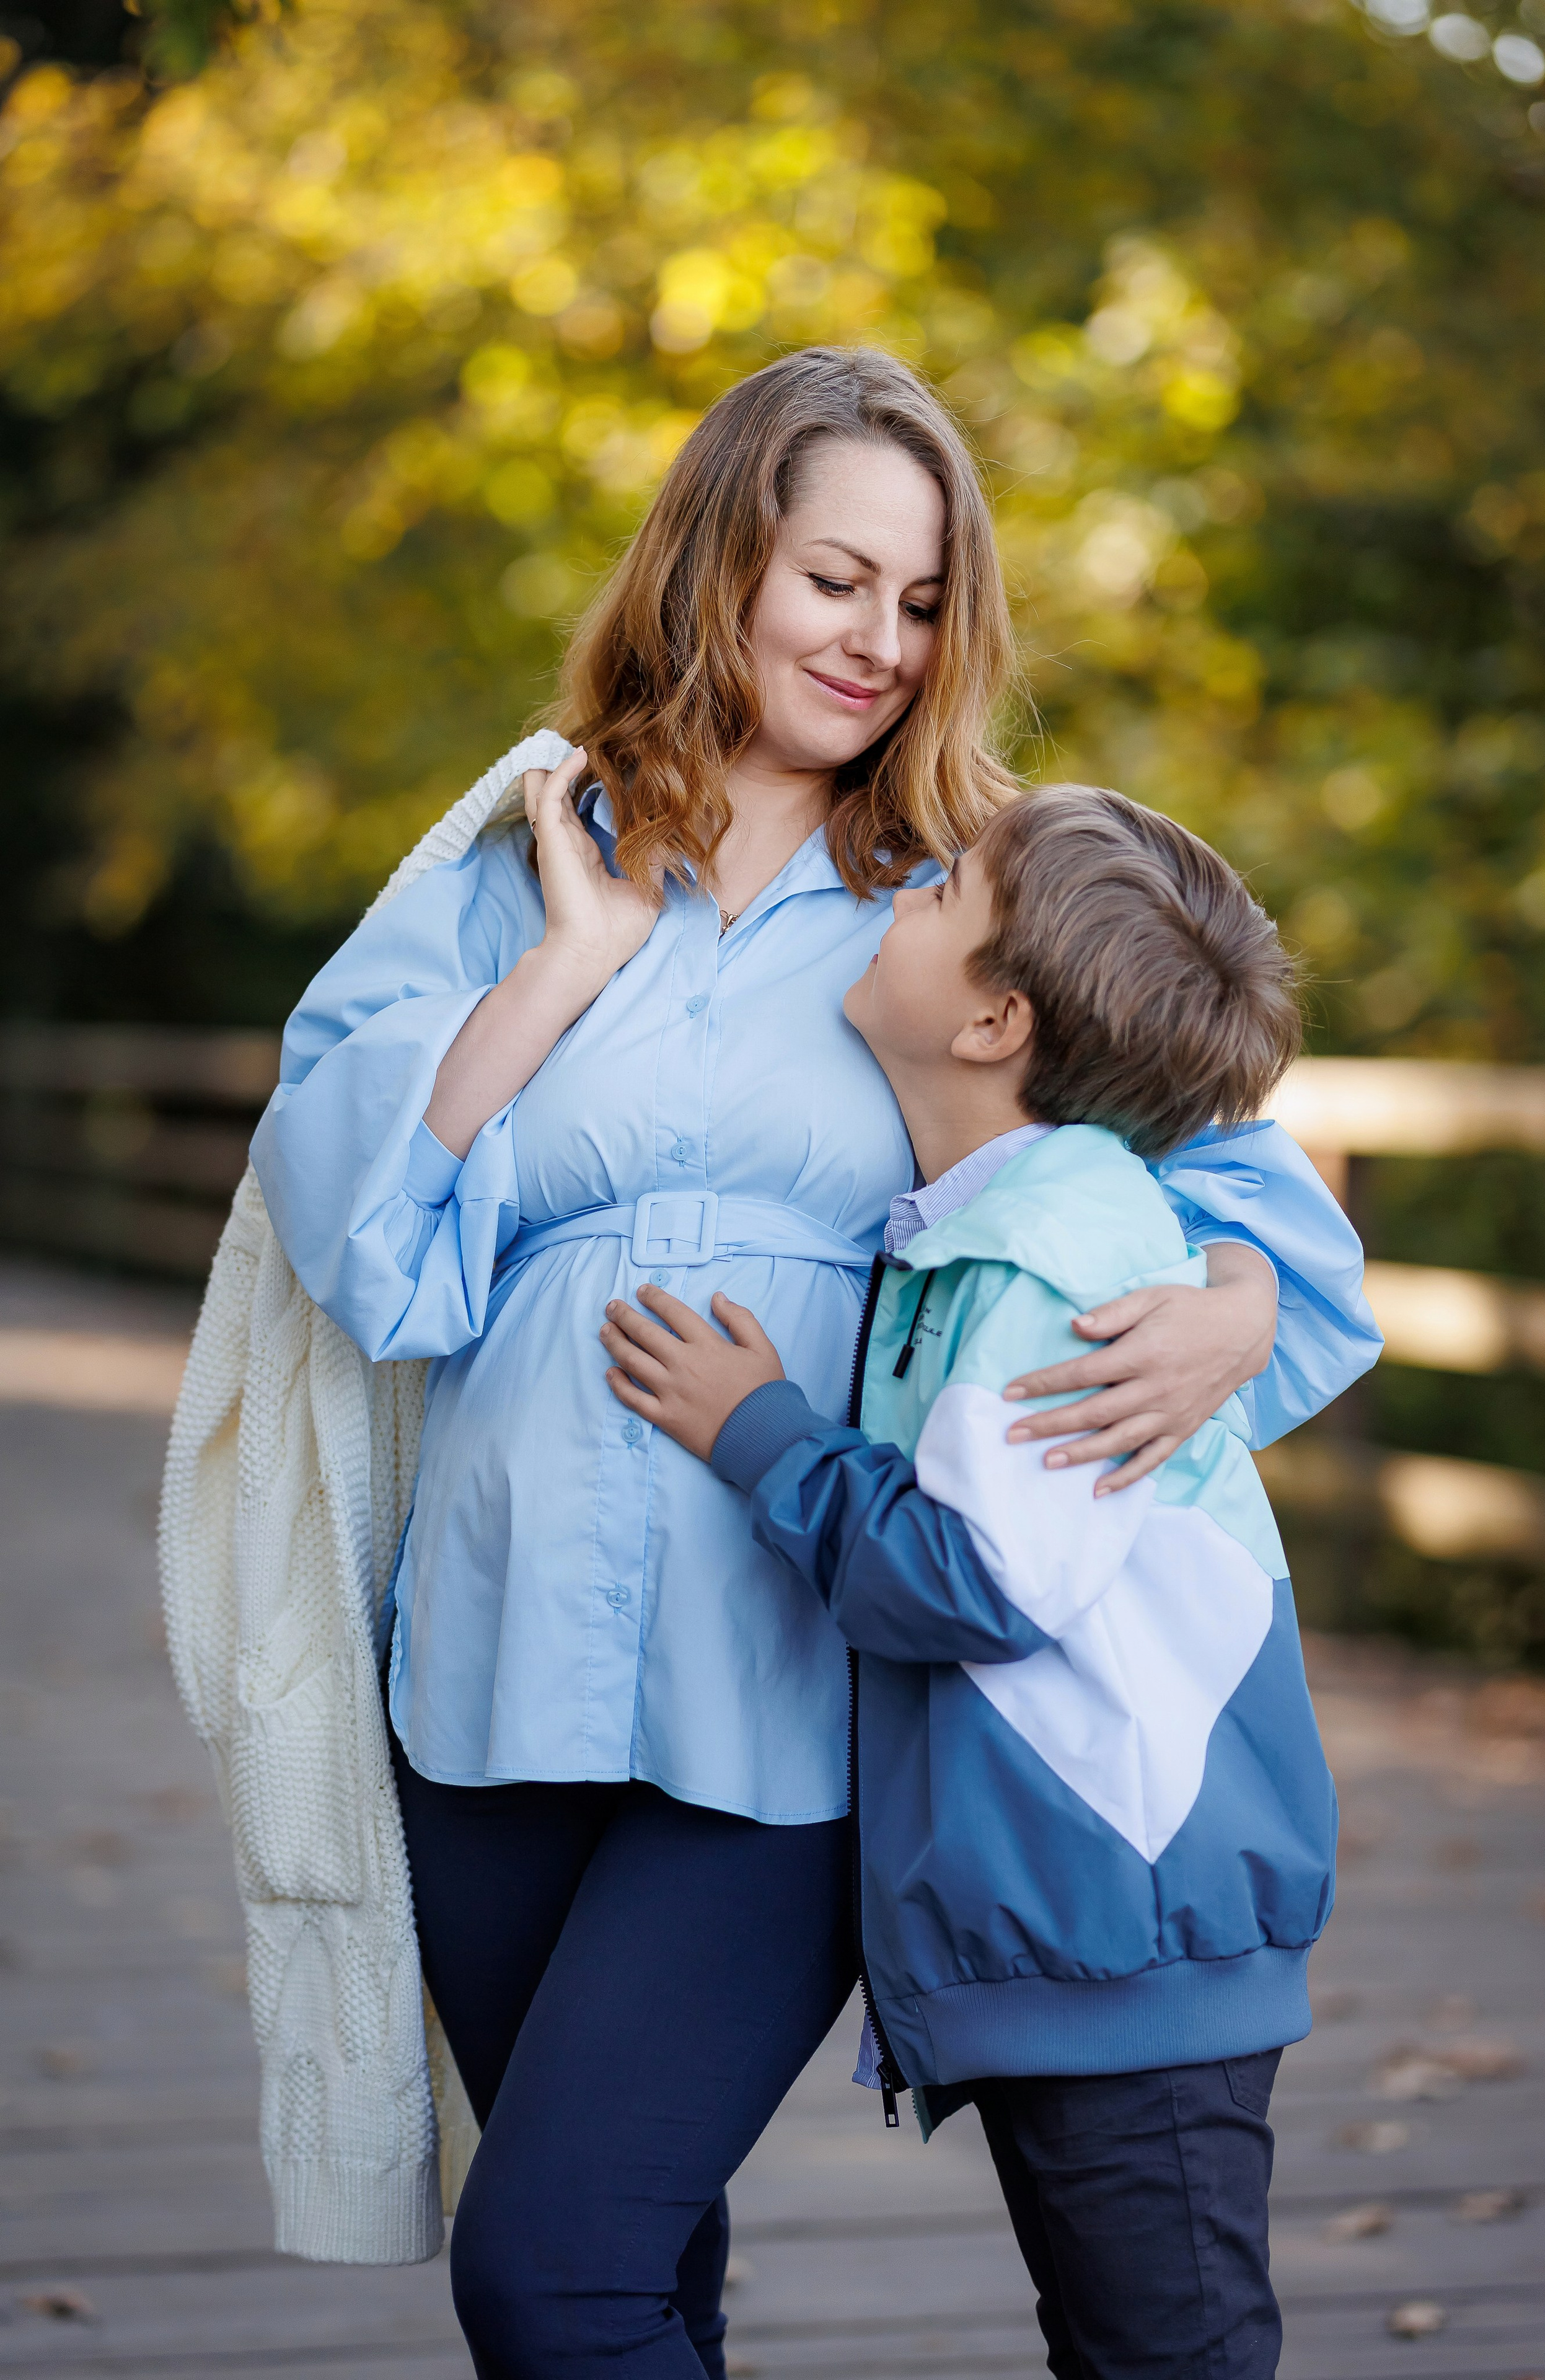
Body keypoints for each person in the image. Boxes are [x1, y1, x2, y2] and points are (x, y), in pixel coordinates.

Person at [250, 348, 1377, 2378]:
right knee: (627, 2264)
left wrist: (1234, 1307)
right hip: (492, 1661)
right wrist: (566, 963)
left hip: (788, 1687)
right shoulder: (522, 851)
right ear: (718, 567)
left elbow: (1238, 1174)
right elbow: (364, 1244)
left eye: (923, 600)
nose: (881, 642)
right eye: (835, 580)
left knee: (553, 2271)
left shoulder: (983, 882)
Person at [601, 782, 1340, 2380]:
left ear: (997, 1020)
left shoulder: (1044, 1257)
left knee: (1173, 2358)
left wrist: (762, 1434)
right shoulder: (1001, 1225)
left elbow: (974, 1576)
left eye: (941, 896)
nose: (903, 896)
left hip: (1128, 1942)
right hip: (1089, 1933)